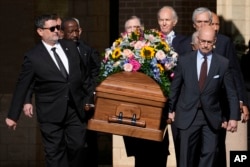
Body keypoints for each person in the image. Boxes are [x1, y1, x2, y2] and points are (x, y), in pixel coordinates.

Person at [6, 14, 87, 167]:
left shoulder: (70, 47)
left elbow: (82, 74)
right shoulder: (33, 57)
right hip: (51, 112)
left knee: (78, 146)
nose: (57, 31)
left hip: (74, 109)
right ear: (40, 32)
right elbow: (23, 84)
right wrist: (13, 115)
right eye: (52, 28)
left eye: (57, 27)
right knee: (54, 153)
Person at [168, 25, 240, 167]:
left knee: (210, 153)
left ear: (214, 42)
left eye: (209, 42)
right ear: (198, 40)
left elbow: (231, 93)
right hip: (187, 114)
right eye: (203, 41)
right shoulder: (184, 61)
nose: (205, 45)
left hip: (211, 117)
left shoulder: (222, 63)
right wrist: (170, 110)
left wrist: (233, 117)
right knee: (186, 157)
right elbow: (175, 88)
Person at [122, 15, 169, 167]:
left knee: (158, 153)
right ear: (125, 31)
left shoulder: (155, 47)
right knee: (140, 156)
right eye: (129, 28)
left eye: (136, 27)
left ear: (141, 30)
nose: (132, 30)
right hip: (134, 110)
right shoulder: (119, 51)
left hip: (154, 108)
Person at [61, 17, 101, 167]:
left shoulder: (88, 50)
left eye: (76, 31)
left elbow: (96, 74)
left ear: (80, 30)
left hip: (84, 104)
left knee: (84, 145)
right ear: (63, 33)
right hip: (62, 105)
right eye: (70, 32)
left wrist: (89, 98)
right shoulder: (57, 51)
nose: (74, 35)